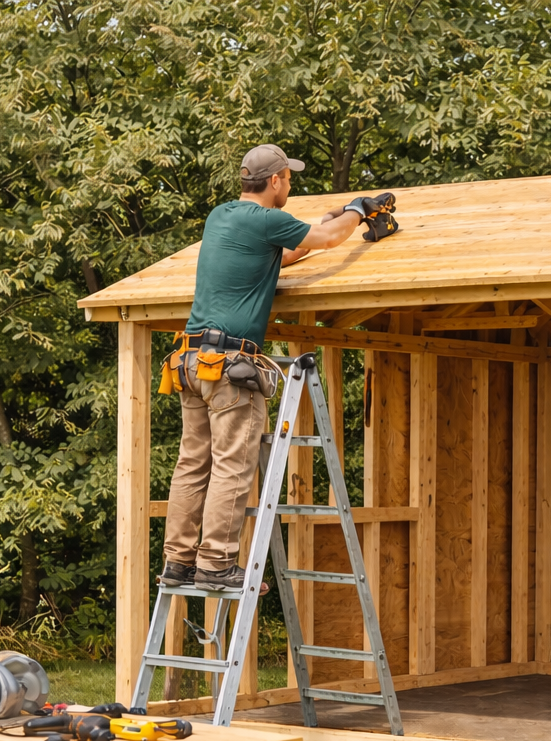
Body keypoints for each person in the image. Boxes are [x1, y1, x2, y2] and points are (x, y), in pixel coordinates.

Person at [158, 143, 390, 591]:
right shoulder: (266, 219)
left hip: (192, 361)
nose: (290, 187)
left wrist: (327, 221)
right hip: (230, 367)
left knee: (192, 466)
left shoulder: (221, 216)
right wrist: (358, 210)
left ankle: (178, 560)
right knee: (232, 466)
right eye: (289, 180)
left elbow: (283, 254)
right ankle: (216, 563)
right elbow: (327, 240)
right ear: (276, 180)